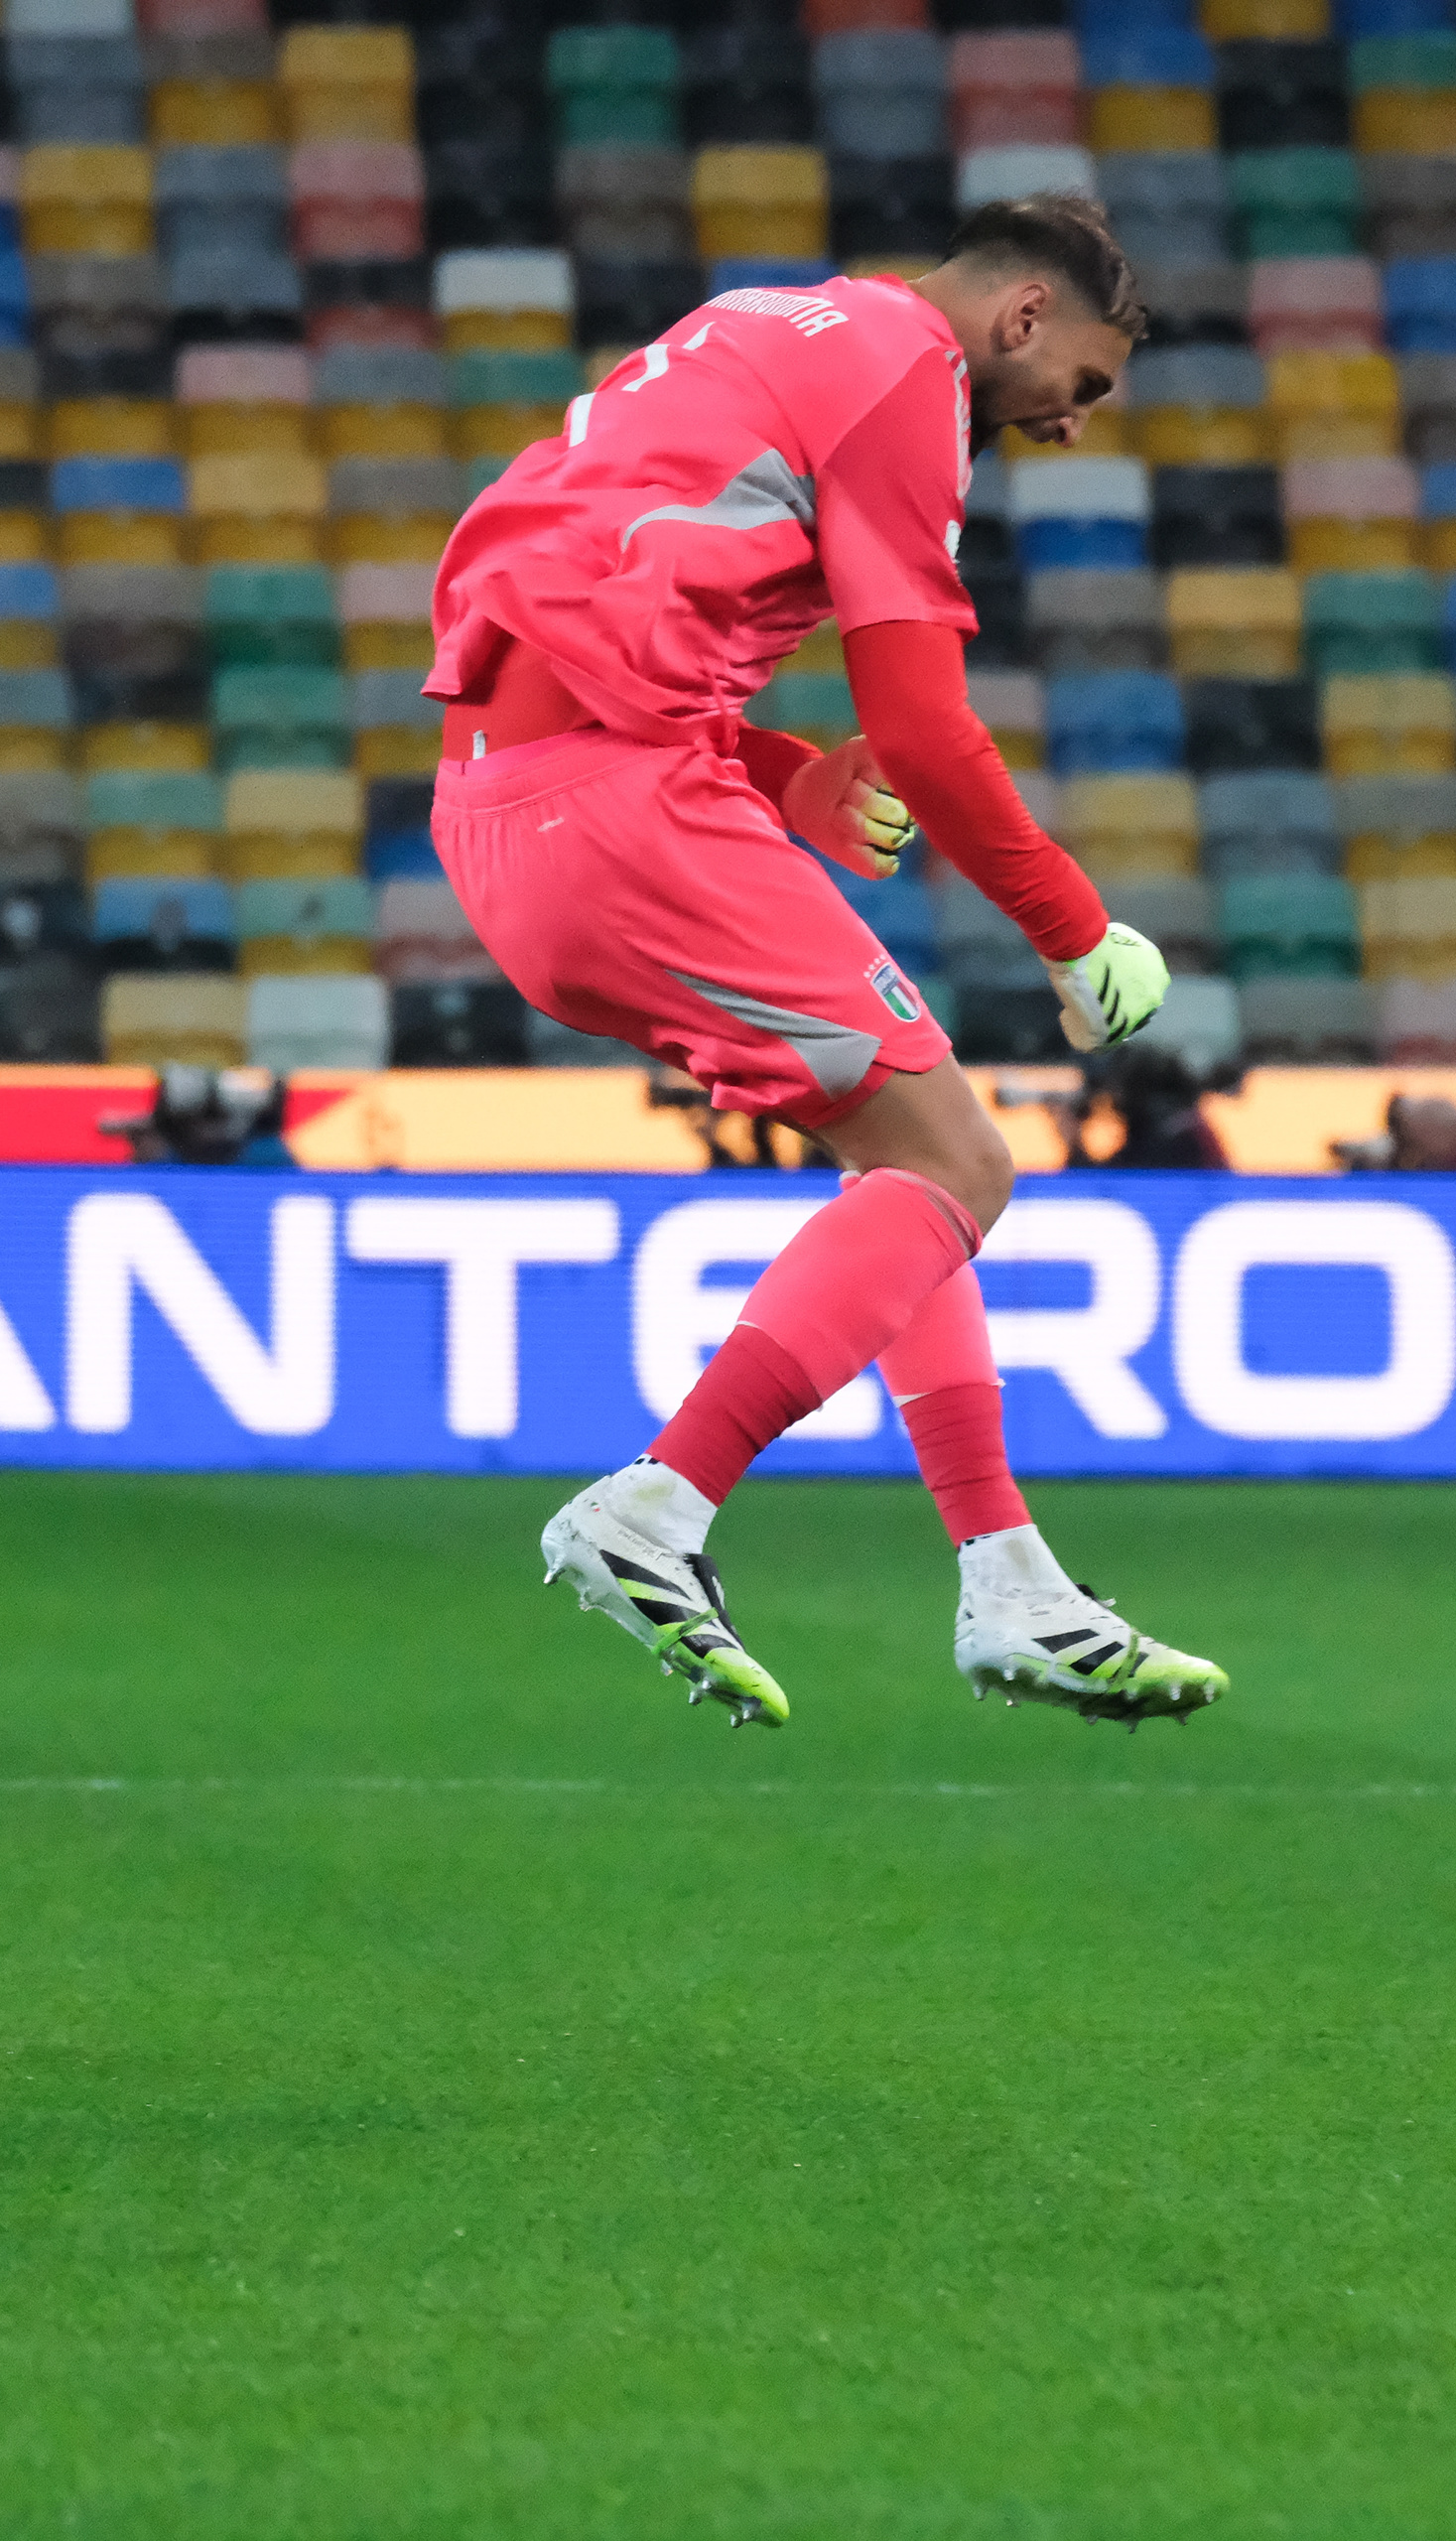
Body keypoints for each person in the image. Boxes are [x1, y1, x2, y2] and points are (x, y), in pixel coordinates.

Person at [424, 194, 1225, 1731]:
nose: (1070, 426)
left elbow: (562, 587)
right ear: (1024, 318)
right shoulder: (904, 381)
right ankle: (657, 1508)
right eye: (1087, 385)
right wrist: (1073, 926)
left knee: (912, 1171)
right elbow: (926, 727)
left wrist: (780, 769)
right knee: (964, 1167)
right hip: (616, 809)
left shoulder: (757, 325)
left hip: (511, 802)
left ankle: (1012, 1580)